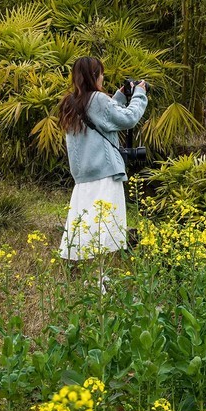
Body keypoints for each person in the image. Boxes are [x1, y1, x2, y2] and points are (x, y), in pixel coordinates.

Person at [58, 56, 148, 261]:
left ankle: (93, 282)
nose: (103, 78)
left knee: (86, 233)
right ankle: (100, 285)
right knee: (104, 235)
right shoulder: (98, 100)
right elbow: (127, 119)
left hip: (83, 180)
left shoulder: (69, 103)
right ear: (95, 75)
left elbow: (100, 118)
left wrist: (119, 96)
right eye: (101, 74)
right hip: (105, 175)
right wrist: (139, 94)